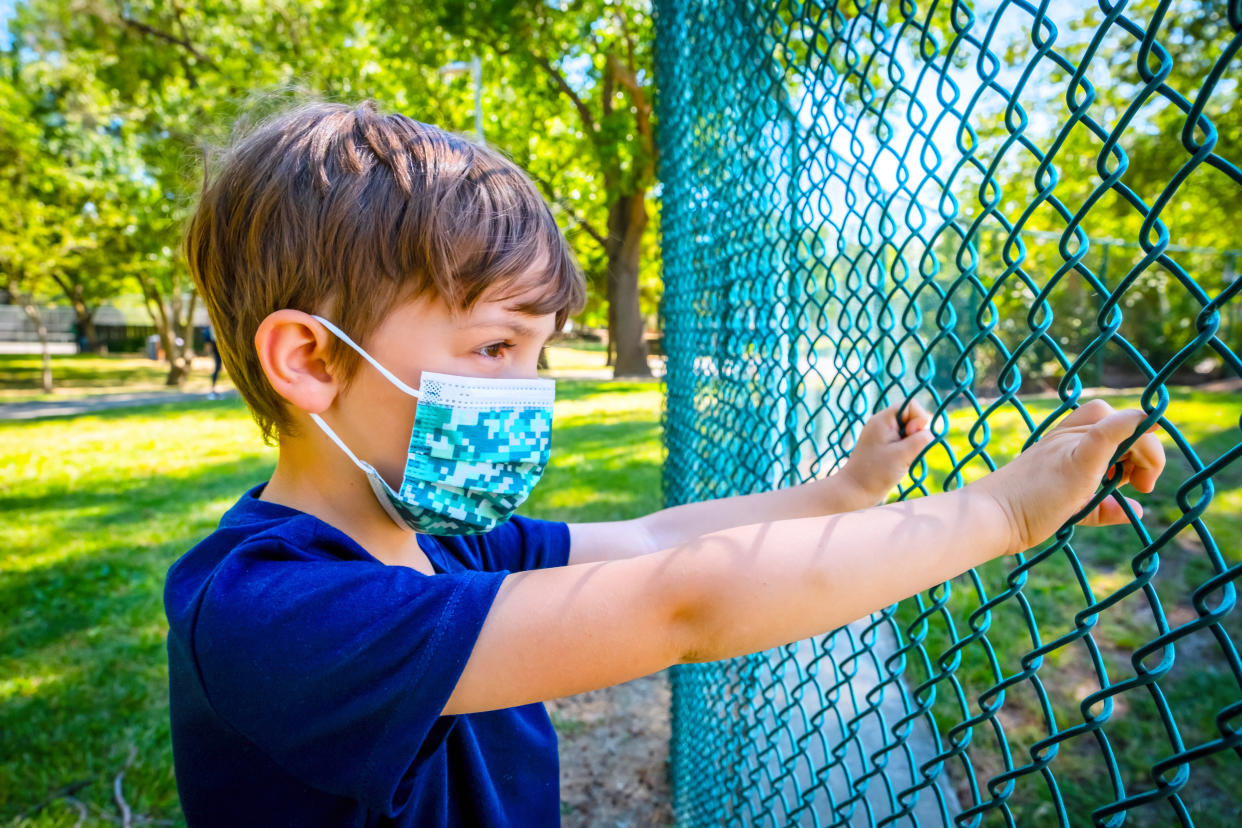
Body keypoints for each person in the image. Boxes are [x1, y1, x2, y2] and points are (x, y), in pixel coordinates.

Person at [164, 100, 1165, 827]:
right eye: (494, 349)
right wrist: (1006, 515)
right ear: (312, 359)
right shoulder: (270, 615)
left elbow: (654, 538)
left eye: (541, 352)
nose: (528, 389)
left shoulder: (443, 546)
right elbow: (682, 599)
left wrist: (844, 493)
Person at [201, 323, 223, 399]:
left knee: (218, 367)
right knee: (217, 367)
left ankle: (213, 388)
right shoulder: (212, 326)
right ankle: (213, 389)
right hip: (217, 344)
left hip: (218, 344)